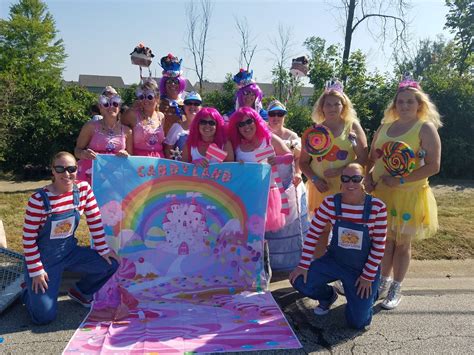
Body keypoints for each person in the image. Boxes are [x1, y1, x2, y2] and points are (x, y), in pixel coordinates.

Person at [366, 75, 442, 310]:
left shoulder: (425, 128)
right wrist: (368, 178)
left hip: (409, 195)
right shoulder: (385, 127)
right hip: (382, 194)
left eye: (410, 101)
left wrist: (400, 179)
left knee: (402, 244)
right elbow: (372, 158)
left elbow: (433, 166)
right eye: (401, 101)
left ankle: (396, 288)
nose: (405, 105)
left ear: (419, 104)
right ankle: (382, 282)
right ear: (395, 105)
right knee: (384, 242)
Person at [21, 151, 120, 325]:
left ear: (77, 169)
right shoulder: (38, 200)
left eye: (71, 169)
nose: (66, 174)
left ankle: (80, 292)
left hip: (69, 252)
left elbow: (95, 220)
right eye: (60, 169)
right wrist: (36, 270)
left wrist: (103, 250)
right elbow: (28, 240)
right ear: (52, 171)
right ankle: (28, 292)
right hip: (44, 261)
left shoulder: (83, 190)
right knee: (43, 318)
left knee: (111, 264)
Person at [289, 163, 387, 330]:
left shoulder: (377, 207)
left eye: (356, 179)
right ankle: (328, 296)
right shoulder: (330, 203)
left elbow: (379, 245)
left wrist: (368, 276)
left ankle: (371, 294)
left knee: (358, 323)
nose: (350, 184)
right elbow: (313, 234)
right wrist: (303, 265)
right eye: (346, 178)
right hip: (335, 261)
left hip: (361, 269)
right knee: (299, 280)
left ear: (363, 180)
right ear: (340, 181)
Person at [299, 80, 368, 257]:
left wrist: (340, 171)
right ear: (321, 108)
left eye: (336, 104)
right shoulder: (315, 131)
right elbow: (303, 163)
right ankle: (319, 268)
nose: (332, 108)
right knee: (321, 230)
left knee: (346, 230)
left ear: (343, 105)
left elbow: (363, 158)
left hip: (348, 188)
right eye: (327, 104)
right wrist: (314, 179)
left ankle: (344, 267)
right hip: (321, 188)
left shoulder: (352, 127)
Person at [228, 107, 292, 287]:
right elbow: (229, 166)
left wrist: (276, 160)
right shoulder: (237, 145)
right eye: (241, 124)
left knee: (260, 236)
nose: (246, 126)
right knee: (246, 235)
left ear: (256, 121)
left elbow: (289, 156)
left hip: (266, 194)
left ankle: (264, 275)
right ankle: (247, 273)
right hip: (244, 196)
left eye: (249, 121)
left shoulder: (268, 139)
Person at [265, 100, 309, 271]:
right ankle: (272, 262)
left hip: (289, 183)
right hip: (270, 186)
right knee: (271, 222)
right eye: (273, 114)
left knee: (289, 222)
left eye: (280, 114)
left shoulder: (291, 136)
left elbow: (298, 157)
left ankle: (292, 261)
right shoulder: (262, 133)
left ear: (284, 116)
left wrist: (298, 173)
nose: (276, 117)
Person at [75, 86, 133, 185]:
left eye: (114, 103)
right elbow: (77, 151)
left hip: (116, 178)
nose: (111, 107)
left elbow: (131, 157)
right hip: (90, 176)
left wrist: (126, 155)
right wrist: (83, 154)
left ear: (119, 107)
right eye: (106, 104)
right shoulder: (90, 127)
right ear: (100, 107)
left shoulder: (127, 131)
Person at [121, 79, 165, 157]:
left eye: (149, 97)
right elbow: (117, 130)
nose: (145, 100)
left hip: (158, 162)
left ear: (157, 97)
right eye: (142, 97)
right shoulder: (131, 114)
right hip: (138, 161)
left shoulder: (161, 116)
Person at [164, 91, 202, 160]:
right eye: (188, 103)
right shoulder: (176, 127)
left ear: (201, 107)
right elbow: (168, 151)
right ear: (184, 106)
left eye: (196, 104)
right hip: (181, 169)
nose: (192, 106)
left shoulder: (206, 127)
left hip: (202, 169)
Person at [158, 53, 187, 136]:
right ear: (164, 84)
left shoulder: (187, 104)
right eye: (169, 81)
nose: (173, 84)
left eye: (176, 81)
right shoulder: (158, 103)